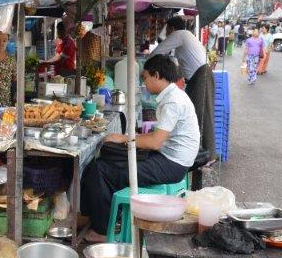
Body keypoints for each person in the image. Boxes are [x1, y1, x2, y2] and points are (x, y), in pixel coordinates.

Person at [80, 55, 201, 241]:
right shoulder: (173, 95)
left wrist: (123, 138)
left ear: (157, 75)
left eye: (145, 78)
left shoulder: (172, 101)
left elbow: (155, 142)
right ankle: (90, 216)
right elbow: (156, 138)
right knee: (104, 160)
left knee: (101, 171)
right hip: (168, 156)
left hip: (172, 164)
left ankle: (102, 230)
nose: (144, 83)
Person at [147, 15, 215, 155]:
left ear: (172, 28)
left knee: (203, 114)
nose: (166, 33)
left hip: (201, 76)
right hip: (197, 77)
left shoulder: (179, 34)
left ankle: (208, 155)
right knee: (197, 114)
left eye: (167, 30)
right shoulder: (187, 36)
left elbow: (157, 52)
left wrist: (146, 63)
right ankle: (199, 152)